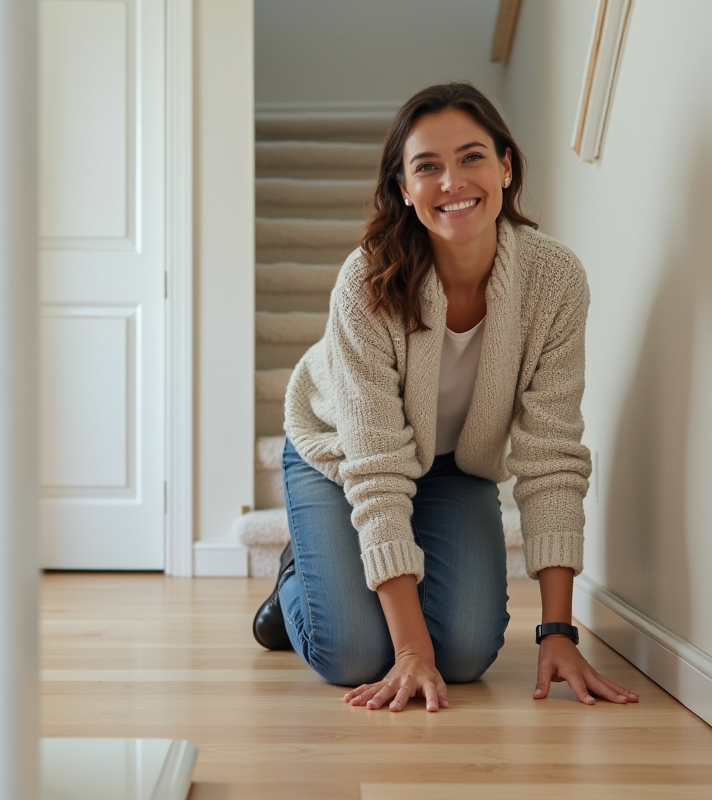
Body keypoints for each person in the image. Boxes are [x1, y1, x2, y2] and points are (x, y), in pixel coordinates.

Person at [252, 82, 639, 712]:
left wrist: (559, 632)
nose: (452, 181)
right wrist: (409, 651)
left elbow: (552, 456)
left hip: (453, 466)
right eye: (426, 167)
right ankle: (300, 574)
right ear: (404, 189)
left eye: (472, 157)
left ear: (506, 166)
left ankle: (356, 574)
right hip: (342, 459)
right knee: (351, 652)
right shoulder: (367, 282)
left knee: (462, 655)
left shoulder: (556, 281)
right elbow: (375, 469)